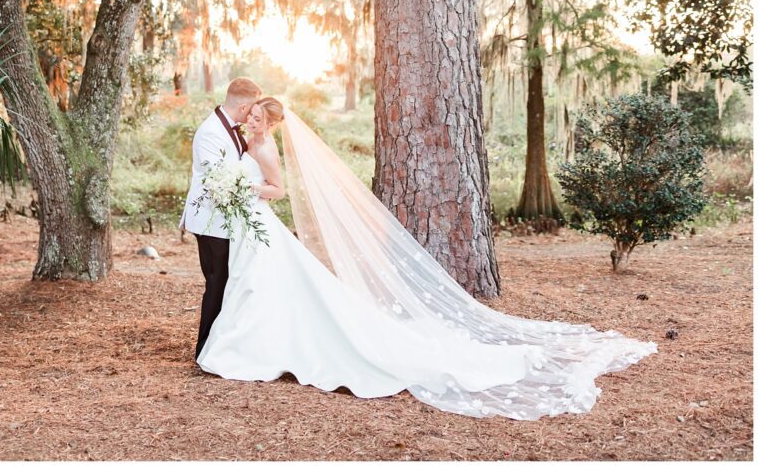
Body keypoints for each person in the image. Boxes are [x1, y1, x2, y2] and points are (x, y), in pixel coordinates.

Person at [193, 96, 659, 421]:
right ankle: (253, 344)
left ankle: (257, 348)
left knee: (270, 286)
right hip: (250, 230)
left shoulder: (266, 147)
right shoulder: (244, 143)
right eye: (250, 115)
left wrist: (246, 188)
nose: (250, 121)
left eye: (255, 117)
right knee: (258, 287)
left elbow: (275, 189)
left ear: (268, 123)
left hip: (258, 225)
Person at [179, 77, 262, 360]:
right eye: (251, 109)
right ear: (241, 105)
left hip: (228, 219)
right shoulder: (211, 132)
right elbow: (217, 181)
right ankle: (205, 350)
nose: (252, 114)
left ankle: (222, 346)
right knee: (217, 281)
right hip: (210, 221)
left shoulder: (231, 128)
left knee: (228, 282)